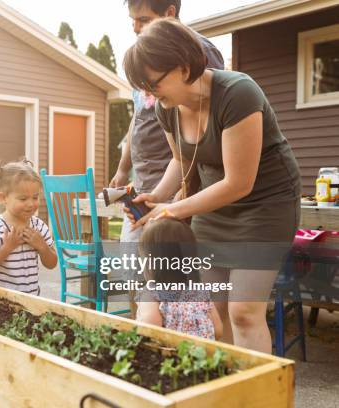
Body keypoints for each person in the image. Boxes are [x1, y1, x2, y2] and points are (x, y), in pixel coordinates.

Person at [123, 18, 301, 353]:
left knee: (244, 312)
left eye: (152, 82)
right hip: (212, 207)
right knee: (211, 304)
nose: (148, 93)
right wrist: (158, 195)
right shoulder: (167, 108)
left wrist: (172, 208)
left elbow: (239, 183)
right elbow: (180, 161)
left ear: (181, 66)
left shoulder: (238, 93)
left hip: (264, 207)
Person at [111, 0, 224, 245]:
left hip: (173, 182)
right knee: (134, 268)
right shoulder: (145, 58)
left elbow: (206, 124)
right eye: (133, 21)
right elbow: (138, 117)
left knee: (166, 270)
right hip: (147, 182)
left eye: (143, 20)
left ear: (170, 13)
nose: (135, 28)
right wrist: (123, 167)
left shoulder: (198, 50)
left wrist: (185, 186)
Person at [0, 159, 57, 294]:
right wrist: (6, 248)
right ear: (3, 198)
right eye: (23, 199)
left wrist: (42, 246)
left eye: (35, 197)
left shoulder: (39, 226)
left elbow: (52, 264)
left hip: (31, 298)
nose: (31, 204)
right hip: (1, 300)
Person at [136, 216, 222, 340]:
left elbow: (149, 330)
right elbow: (218, 330)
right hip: (203, 356)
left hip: (171, 357)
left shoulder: (152, 294)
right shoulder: (199, 292)